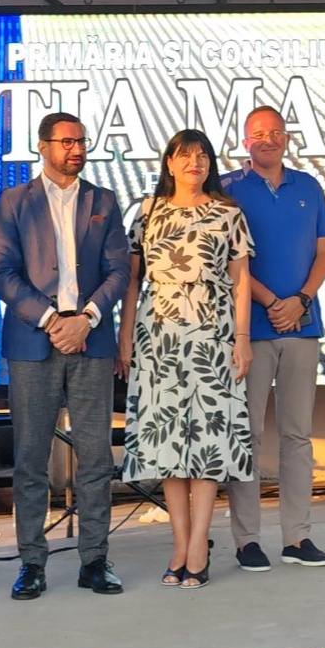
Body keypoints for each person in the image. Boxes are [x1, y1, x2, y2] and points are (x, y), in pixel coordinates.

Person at [0, 112, 132, 599]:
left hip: (90, 339)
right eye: (67, 141)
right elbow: (2, 273)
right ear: (43, 146)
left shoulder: (103, 201)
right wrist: (51, 320)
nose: (76, 149)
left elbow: (119, 270)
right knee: (31, 458)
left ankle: (95, 560)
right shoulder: (15, 202)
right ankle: (32, 563)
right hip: (35, 342)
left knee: (95, 457)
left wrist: (86, 319)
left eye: (81, 141)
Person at [119, 129, 256, 585]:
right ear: (169, 163)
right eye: (185, 155)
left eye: (202, 156)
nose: (194, 163)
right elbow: (133, 280)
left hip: (213, 337)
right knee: (168, 443)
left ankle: (200, 542)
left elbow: (240, 281)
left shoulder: (228, 213)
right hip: (158, 337)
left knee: (207, 443)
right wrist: (125, 335)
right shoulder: (148, 211)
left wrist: (241, 338)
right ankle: (179, 543)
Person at [221, 106, 325, 571]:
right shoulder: (228, 189)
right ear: (244, 141)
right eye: (258, 133)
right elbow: (231, 262)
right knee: (246, 434)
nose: (267, 139)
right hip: (250, 331)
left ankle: (297, 536)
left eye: (275, 132)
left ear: (287, 138)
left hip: (302, 327)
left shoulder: (308, 187)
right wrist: (272, 302)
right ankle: (247, 540)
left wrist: (301, 300)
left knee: (297, 435)